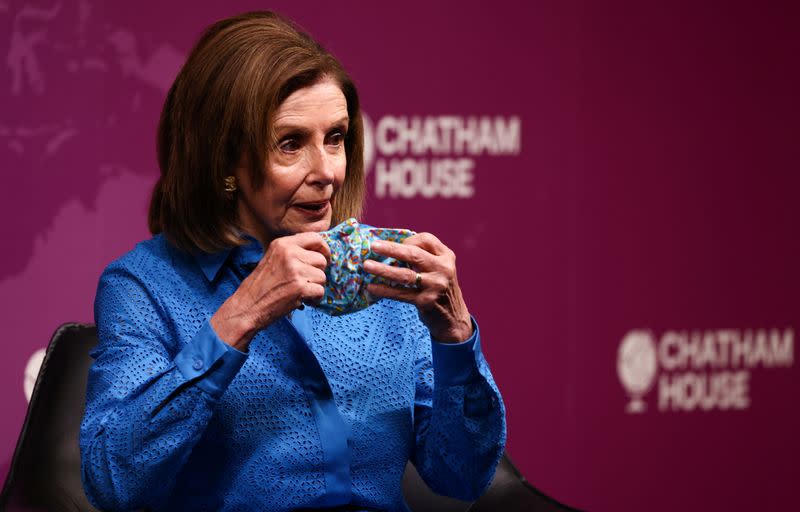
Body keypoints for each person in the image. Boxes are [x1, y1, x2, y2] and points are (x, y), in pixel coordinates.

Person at [80, 11, 505, 512]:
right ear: (225, 161)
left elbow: (462, 475)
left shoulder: (383, 272)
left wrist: (454, 334)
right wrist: (239, 318)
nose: (327, 172)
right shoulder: (144, 285)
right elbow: (113, 481)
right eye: (290, 144)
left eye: (336, 137)